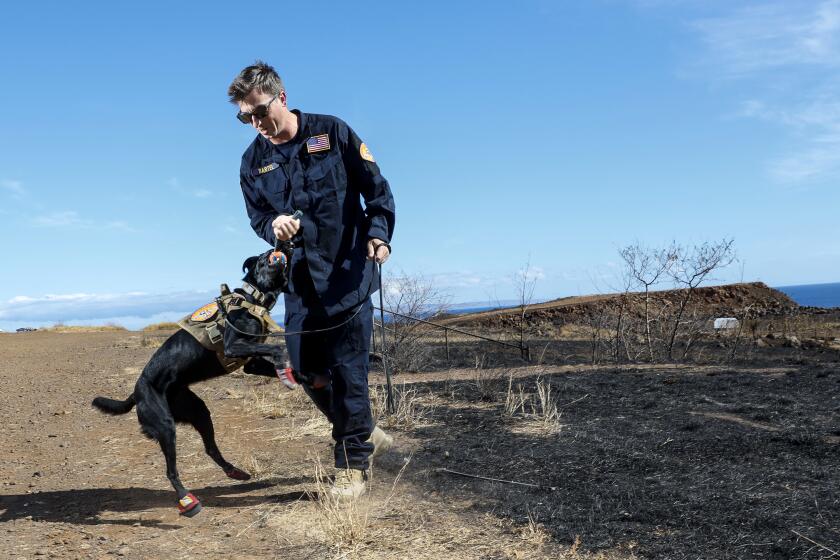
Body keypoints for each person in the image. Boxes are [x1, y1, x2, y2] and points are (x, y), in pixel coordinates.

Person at [228, 61, 396, 498]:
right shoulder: (252, 161)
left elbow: (376, 191)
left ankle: (352, 467)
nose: (256, 123)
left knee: (348, 374)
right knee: (304, 372)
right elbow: (257, 216)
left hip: (348, 276)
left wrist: (379, 237)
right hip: (299, 284)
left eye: (260, 111)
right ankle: (365, 432)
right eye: (245, 117)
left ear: (280, 97)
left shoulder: (333, 132)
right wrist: (273, 227)